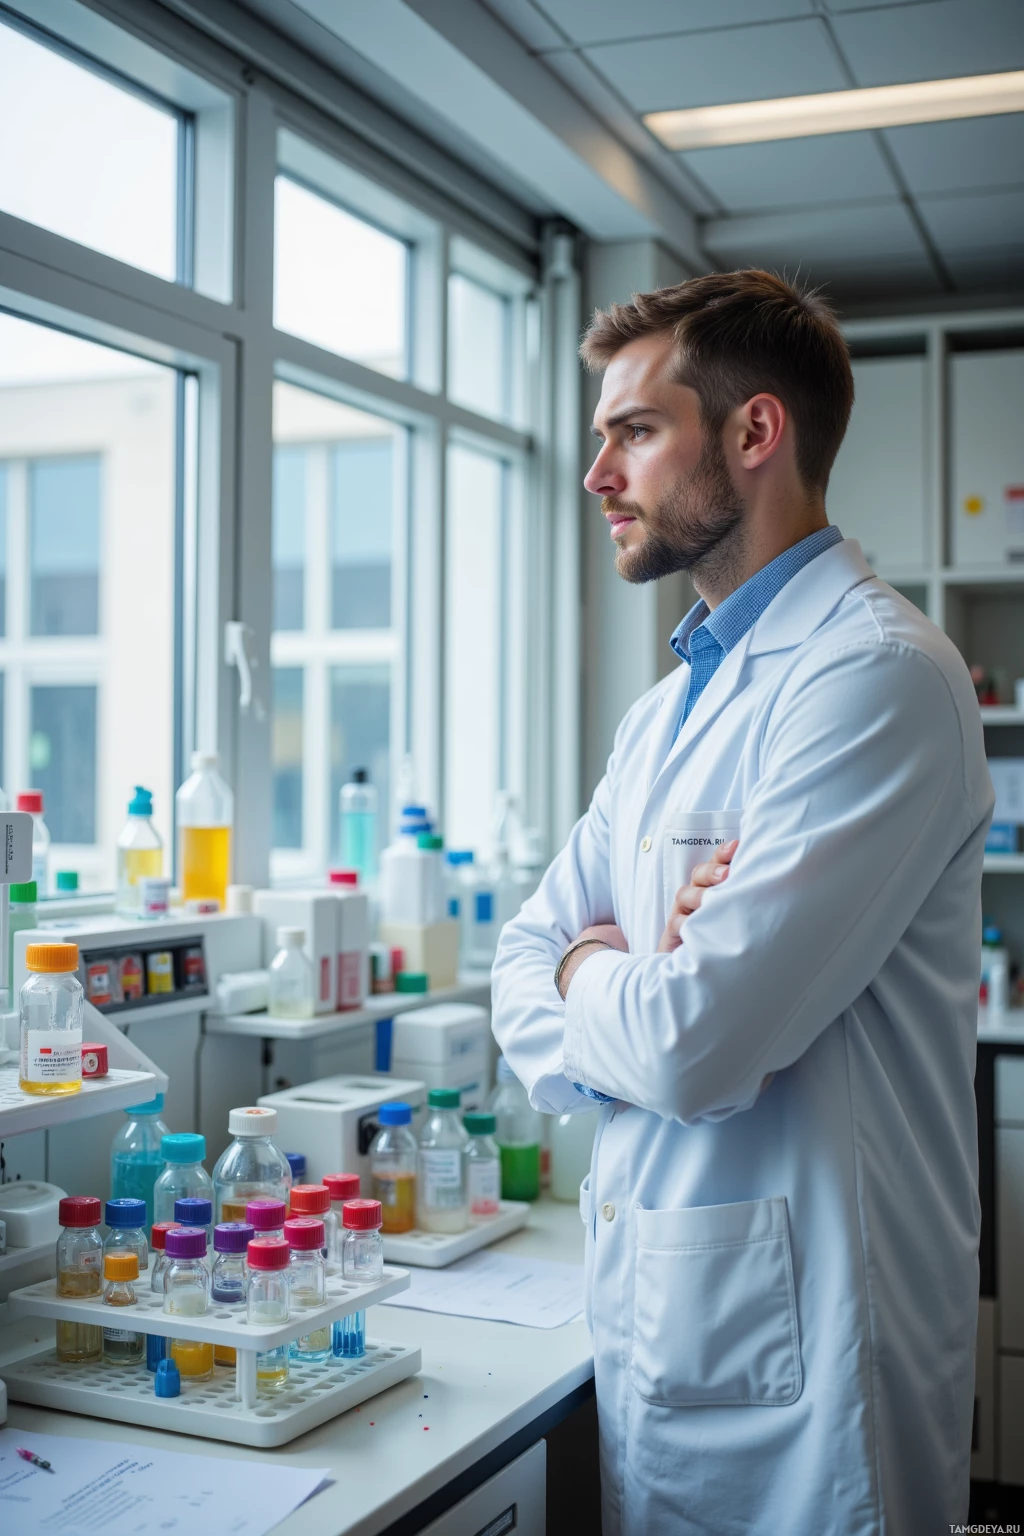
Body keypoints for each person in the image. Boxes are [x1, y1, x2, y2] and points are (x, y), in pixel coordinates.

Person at [491, 269, 992, 1535]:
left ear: (753, 432)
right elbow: (517, 963)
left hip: (817, 1357)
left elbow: (688, 1038)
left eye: (634, 432)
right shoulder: (666, 713)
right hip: (679, 1317)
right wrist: (617, 972)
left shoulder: (873, 681)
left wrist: (600, 980)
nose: (599, 474)